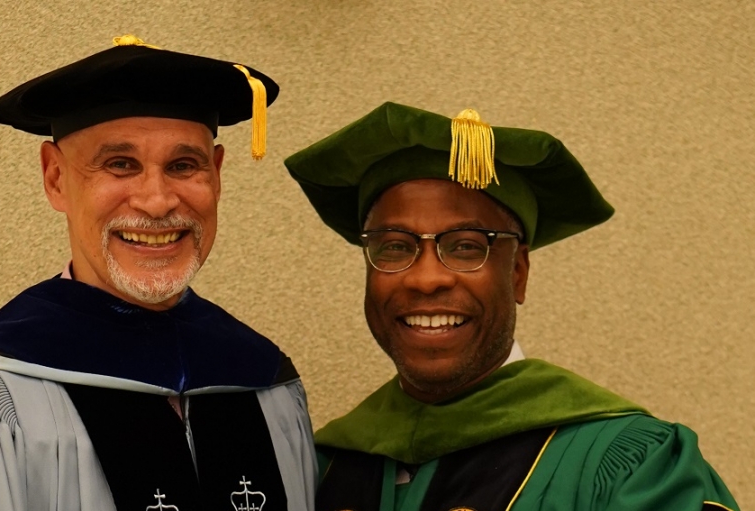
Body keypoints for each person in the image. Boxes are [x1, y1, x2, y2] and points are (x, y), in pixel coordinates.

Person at [0, 35, 316, 511]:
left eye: (183, 165)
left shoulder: (264, 382)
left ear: (216, 176)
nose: (157, 201)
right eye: (120, 165)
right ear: (55, 179)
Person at [283, 102, 737, 511]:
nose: (426, 279)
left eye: (464, 246)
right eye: (395, 247)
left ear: (518, 272)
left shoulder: (631, 463)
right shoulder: (323, 470)